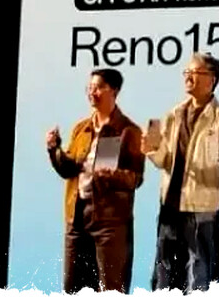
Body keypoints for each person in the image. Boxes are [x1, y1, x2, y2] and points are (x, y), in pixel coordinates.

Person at [145, 52, 219, 292]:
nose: (188, 77)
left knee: (200, 272)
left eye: (195, 73)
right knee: (164, 272)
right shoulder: (174, 114)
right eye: (186, 72)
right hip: (170, 205)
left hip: (203, 208)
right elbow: (165, 161)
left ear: (211, 80)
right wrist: (151, 149)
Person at [46, 68, 146, 293]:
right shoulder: (81, 128)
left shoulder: (129, 131)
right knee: (74, 287)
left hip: (110, 222)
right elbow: (69, 170)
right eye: (90, 88)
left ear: (114, 91)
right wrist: (54, 150)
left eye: (99, 87)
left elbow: (135, 179)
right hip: (77, 216)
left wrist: (111, 175)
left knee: (111, 287)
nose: (92, 92)